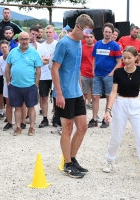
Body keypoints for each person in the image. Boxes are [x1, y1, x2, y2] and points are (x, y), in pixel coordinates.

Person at [102, 46, 140, 183]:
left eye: (129, 58)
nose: (126, 60)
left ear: (136, 58)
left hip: (135, 105)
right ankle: (109, 161)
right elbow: (114, 92)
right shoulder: (118, 72)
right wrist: (108, 110)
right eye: (124, 57)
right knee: (116, 136)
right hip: (120, 104)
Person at [51, 14, 94, 178]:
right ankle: (67, 164)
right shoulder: (63, 43)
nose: (88, 36)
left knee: (83, 127)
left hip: (76, 93)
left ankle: (72, 159)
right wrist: (59, 94)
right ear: (78, 27)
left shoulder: (80, 43)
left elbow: (76, 69)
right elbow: (54, 69)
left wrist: (81, 92)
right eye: (87, 32)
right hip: (64, 94)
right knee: (67, 128)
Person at [5, 32, 42, 136]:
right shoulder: (13, 52)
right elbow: (7, 67)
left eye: (26, 39)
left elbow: (38, 69)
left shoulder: (34, 53)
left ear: (29, 39)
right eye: (22, 39)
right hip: (15, 85)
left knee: (31, 107)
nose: (24, 41)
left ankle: (32, 128)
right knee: (17, 107)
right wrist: (8, 81)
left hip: (30, 85)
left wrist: (36, 84)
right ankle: (17, 127)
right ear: (19, 40)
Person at [88, 22, 122, 129]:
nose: (107, 34)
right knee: (95, 96)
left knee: (109, 97)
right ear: (103, 32)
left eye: (110, 32)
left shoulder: (115, 46)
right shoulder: (97, 44)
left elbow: (119, 62)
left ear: (112, 34)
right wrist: (93, 69)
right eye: (106, 31)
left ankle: (106, 119)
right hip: (97, 74)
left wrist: (112, 72)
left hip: (108, 75)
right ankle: (94, 119)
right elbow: (94, 58)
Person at [0, 26, 18, 122]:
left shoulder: (15, 46)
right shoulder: (0, 60)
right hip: (5, 80)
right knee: (7, 101)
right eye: (6, 33)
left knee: (18, 102)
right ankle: (8, 119)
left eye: (10, 33)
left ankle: (20, 121)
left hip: (16, 80)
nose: (4, 49)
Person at [37, 25, 57, 128]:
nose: (48, 34)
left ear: (54, 33)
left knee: (55, 98)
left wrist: (47, 60)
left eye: (50, 32)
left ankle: (55, 117)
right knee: (43, 97)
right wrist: (48, 61)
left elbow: (57, 60)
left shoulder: (57, 45)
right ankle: (45, 118)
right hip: (43, 75)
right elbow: (39, 61)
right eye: (47, 32)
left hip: (55, 75)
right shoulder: (41, 46)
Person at [0, 40, 14, 131]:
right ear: (0, 50)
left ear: (9, 48)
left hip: (16, 82)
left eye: (5, 47)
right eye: (2, 48)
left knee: (20, 103)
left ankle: (22, 122)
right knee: (8, 103)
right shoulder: (0, 61)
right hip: (6, 83)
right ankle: (9, 122)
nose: (4, 49)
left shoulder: (13, 57)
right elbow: (1, 73)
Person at [81, 32, 95, 109]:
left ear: (94, 38)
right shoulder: (82, 48)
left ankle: (94, 112)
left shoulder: (96, 48)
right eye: (87, 37)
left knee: (95, 95)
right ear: (85, 38)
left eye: (91, 37)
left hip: (94, 74)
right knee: (84, 94)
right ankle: (82, 110)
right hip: (84, 74)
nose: (89, 39)